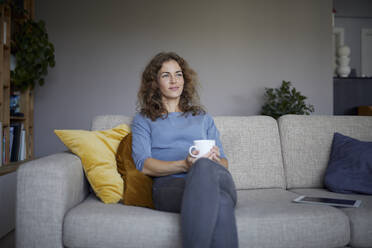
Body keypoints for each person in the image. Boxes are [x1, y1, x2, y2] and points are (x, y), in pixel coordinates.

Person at [131, 52, 238, 248]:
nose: (174, 80)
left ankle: (203, 167)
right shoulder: (144, 119)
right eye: (166, 75)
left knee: (205, 166)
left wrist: (212, 161)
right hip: (170, 186)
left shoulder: (202, 117)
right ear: (154, 83)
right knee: (221, 202)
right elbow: (143, 164)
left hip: (214, 177)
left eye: (178, 74)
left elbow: (224, 163)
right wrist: (185, 165)